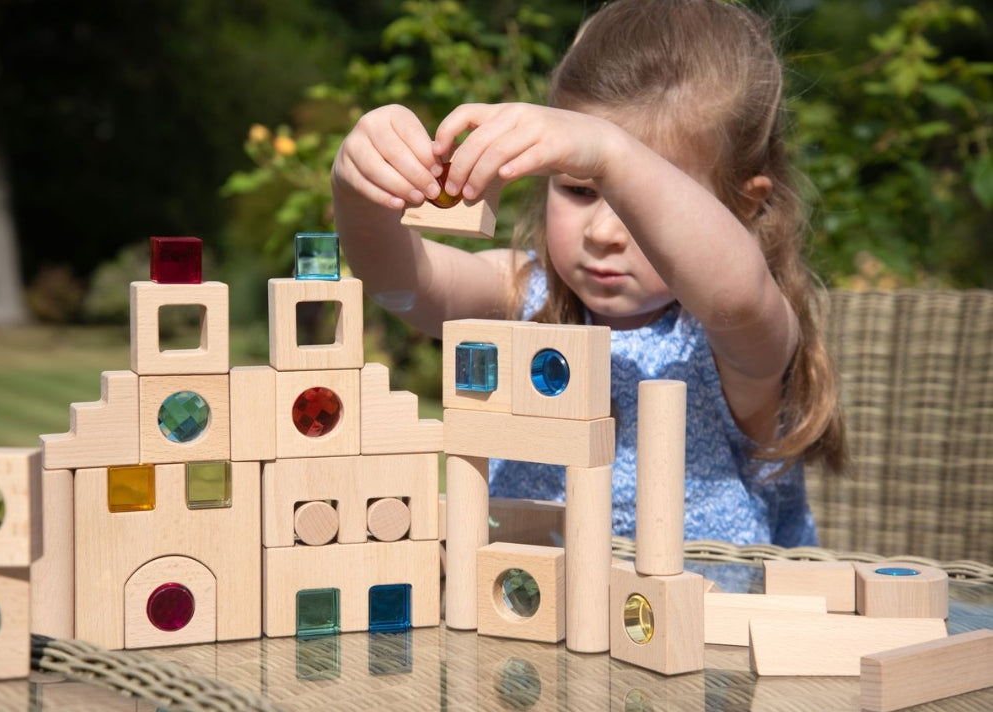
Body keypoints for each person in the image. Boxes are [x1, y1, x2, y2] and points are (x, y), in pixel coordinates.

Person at [330, 0, 846, 546]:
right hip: (518, 616)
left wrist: (610, 154)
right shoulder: (528, 294)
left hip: (708, 623)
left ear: (744, 207)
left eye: (639, 202)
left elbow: (737, 296)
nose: (603, 232)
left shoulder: (734, 344)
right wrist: (361, 191)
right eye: (578, 189)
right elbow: (406, 284)